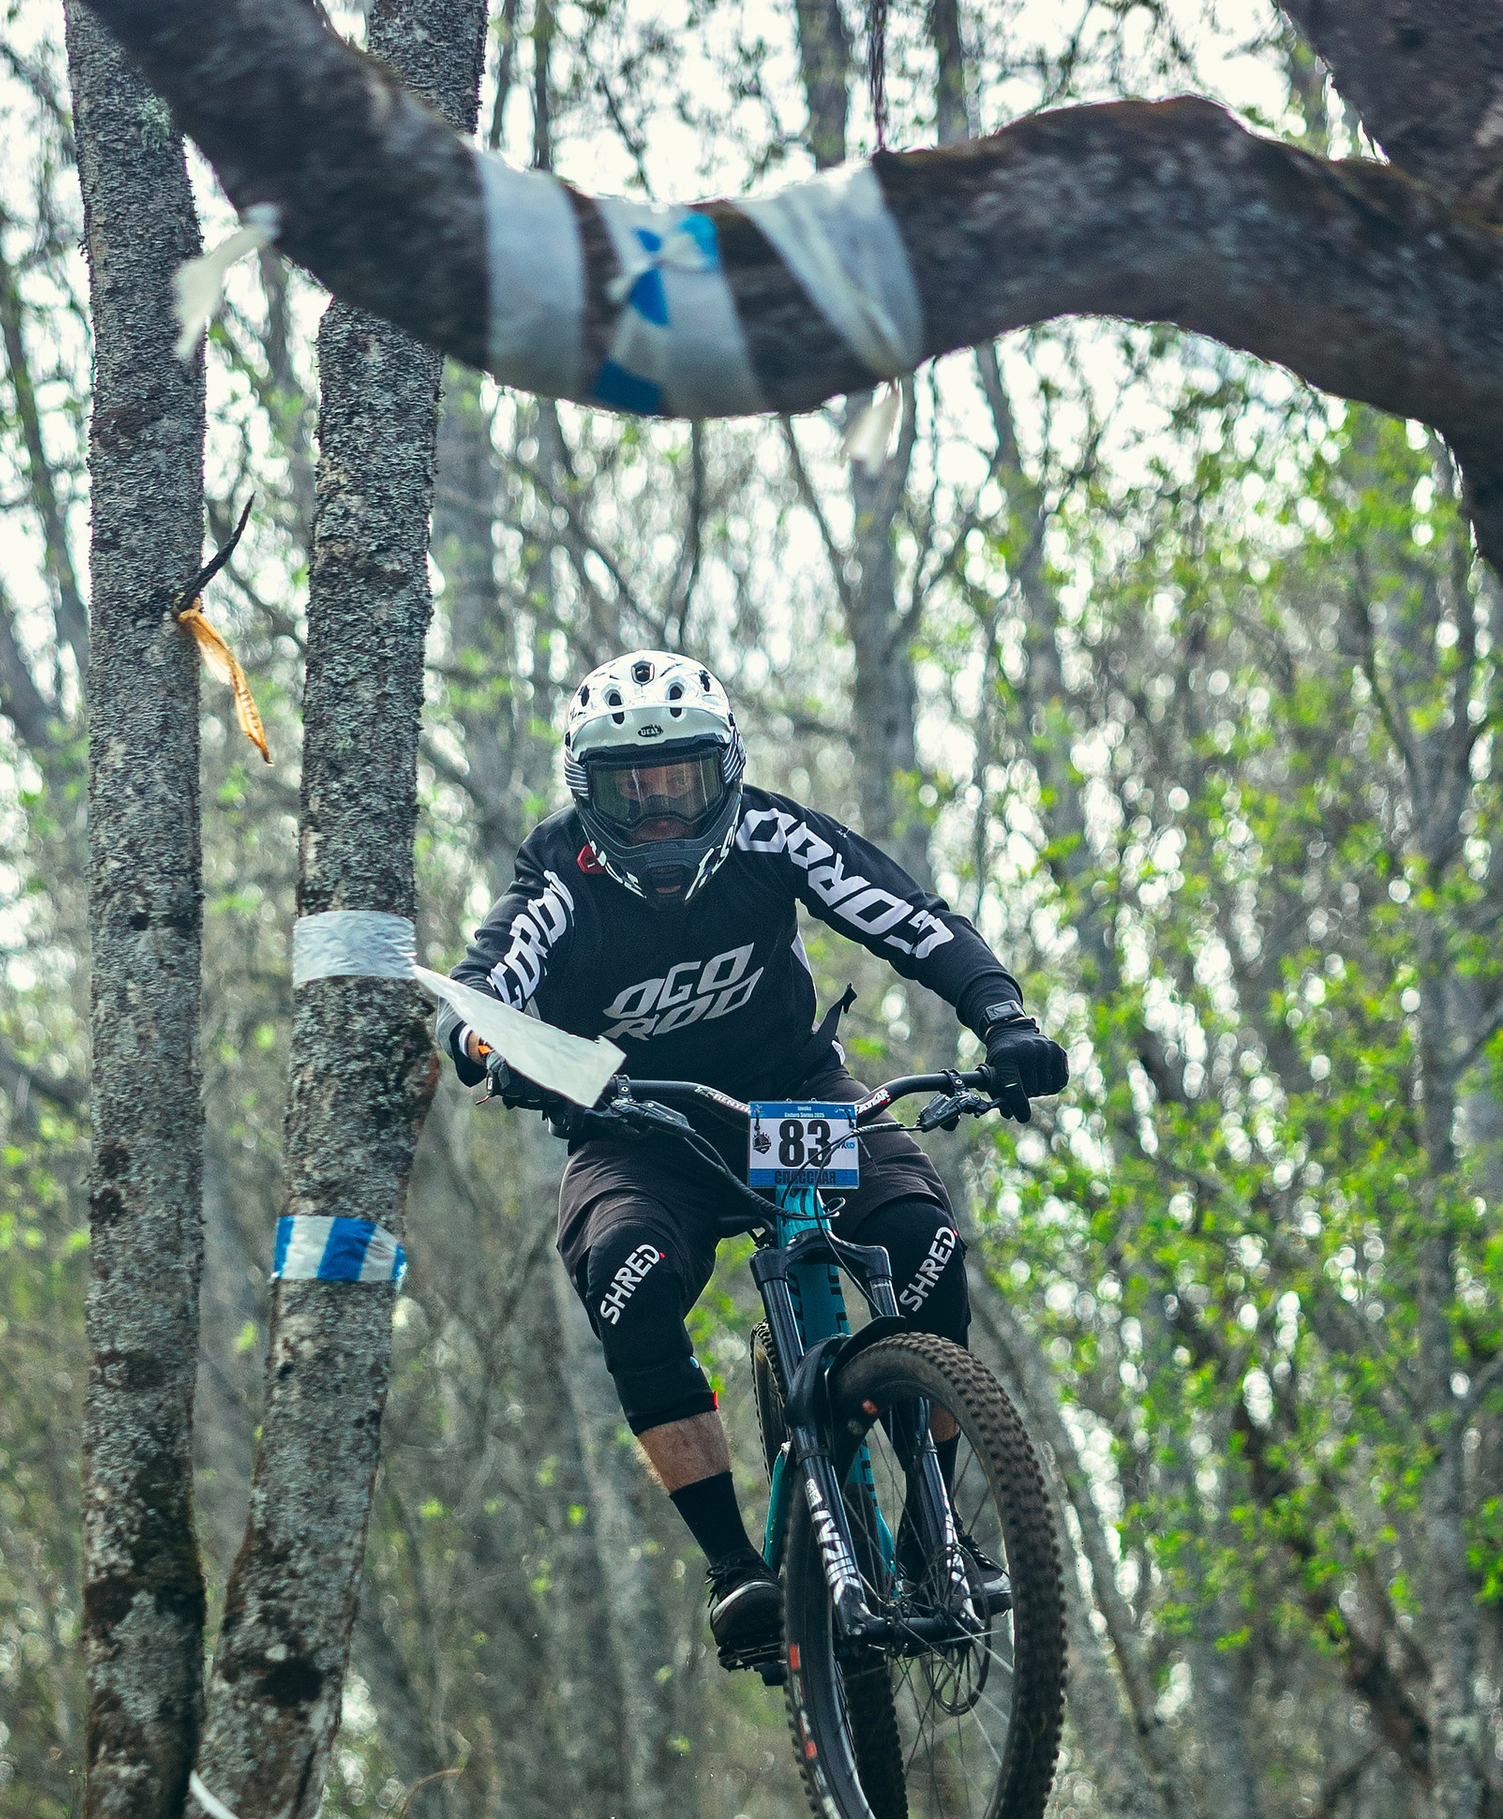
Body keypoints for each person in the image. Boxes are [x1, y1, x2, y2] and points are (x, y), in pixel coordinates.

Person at [434, 652, 1067, 1665]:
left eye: (677, 786)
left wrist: (1002, 1018)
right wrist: (485, 1044)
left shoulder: (775, 835)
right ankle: (736, 1570)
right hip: (640, 1132)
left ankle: (932, 1528)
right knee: (627, 1285)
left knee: (925, 1243)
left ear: (722, 773)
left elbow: (908, 918)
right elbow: (487, 979)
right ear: (582, 793)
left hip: (795, 1097)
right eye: (627, 793)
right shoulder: (559, 871)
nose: (657, 819)